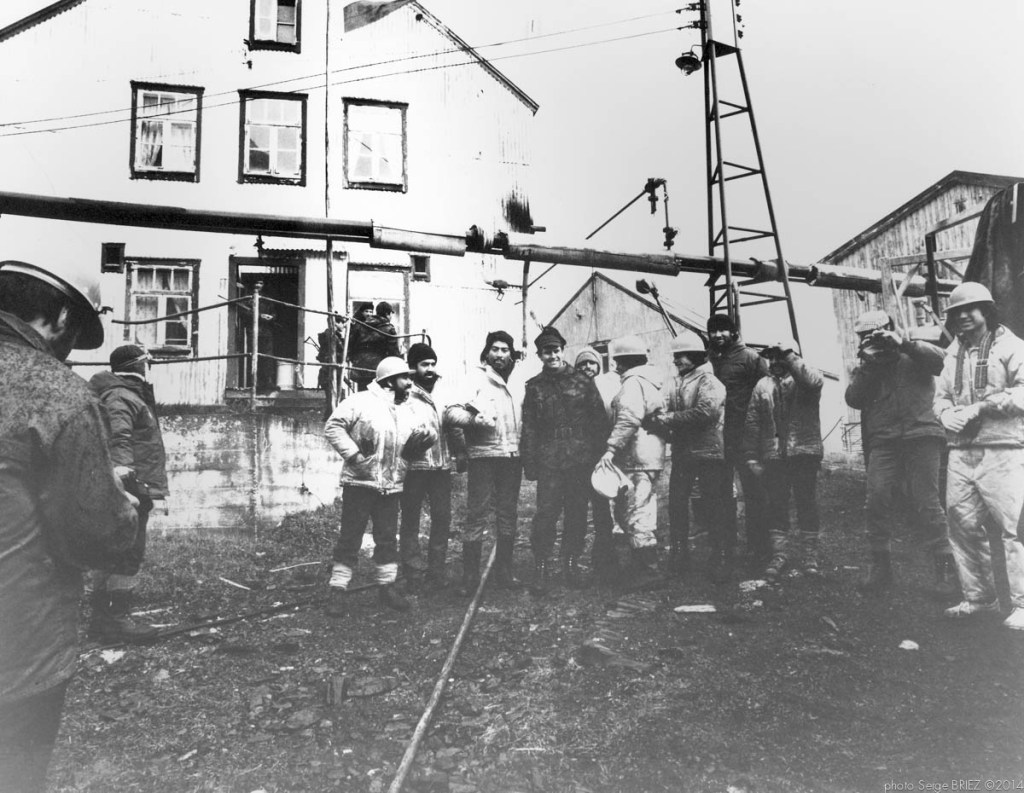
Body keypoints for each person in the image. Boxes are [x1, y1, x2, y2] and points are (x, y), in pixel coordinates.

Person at [0, 260, 138, 793]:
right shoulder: (55, 392)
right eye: (75, 334)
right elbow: (93, 534)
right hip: (16, 649)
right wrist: (123, 506)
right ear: (60, 316)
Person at [845, 309, 956, 596]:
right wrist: (870, 365)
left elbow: (942, 362)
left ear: (890, 328)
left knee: (926, 501)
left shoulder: (915, 352)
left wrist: (903, 343)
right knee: (877, 499)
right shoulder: (869, 364)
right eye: (865, 336)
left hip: (922, 435)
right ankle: (880, 568)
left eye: (877, 333)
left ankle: (945, 569)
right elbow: (854, 398)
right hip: (885, 440)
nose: (872, 339)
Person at [933, 282, 1024, 630]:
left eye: (971, 309)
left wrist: (982, 407)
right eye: (956, 312)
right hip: (961, 450)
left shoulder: (1011, 347)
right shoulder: (952, 353)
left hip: (1004, 448)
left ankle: (1022, 603)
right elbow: (940, 396)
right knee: (961, 524)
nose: (963, 317)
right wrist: (944, 415)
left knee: (1014, 526)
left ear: (987, 311)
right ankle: (980, 598)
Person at [324, 356, 436, 618]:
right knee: (350, 538)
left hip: (392, 486)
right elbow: (333, 426)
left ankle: (387, 588)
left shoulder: (407, 409)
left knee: (387, 539)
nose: (410, 383)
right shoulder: (360, 401)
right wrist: (354, 455)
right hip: (360, 483)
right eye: (405, 378)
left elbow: (418, 439)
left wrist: (420, 445)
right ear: (389, 380)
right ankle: (337, 591)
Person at [87, 344, 170, 643]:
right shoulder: (121, 395)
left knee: (114, 550)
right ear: (135, 365)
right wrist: (125, 487)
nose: (147, 367)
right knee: (127, 551)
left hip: (132, 484)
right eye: (145, 363)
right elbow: (118, 438)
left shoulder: (127, 392)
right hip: (130, 487)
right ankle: (116, 620)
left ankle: (102, 619)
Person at [521, 328, 608, 590]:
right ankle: (542, 567)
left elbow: (599, 421)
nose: (552, 355)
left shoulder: (582, 381)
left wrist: (600, 456)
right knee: (546, 513)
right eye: (547, 351)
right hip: (549, 458)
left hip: (580, 458)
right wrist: (530, 461)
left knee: (577, 511)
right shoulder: (534, 386)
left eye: (556, 350)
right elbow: (530, 427)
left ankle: (571, 563)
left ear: (562, 350)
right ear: (540, 355)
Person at [444, 330, 525, 594]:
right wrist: (472, 420)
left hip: (512, 457)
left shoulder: (518, 382)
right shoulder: (475, 378)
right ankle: (470, 577)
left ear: (511, 355)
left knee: (507, 513)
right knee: (476, 514)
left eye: (505, 350)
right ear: (486, 352)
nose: (500, 354)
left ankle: (504, 572)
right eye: (495, 349)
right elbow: (450, 412)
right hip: (483, 457)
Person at [742, 338, 824, 583]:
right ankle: (780, 554)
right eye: (772, 357)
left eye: (782, 356)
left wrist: (789, 354)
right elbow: (753, 420)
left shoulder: (807, 380)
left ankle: (811, 555)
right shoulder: (762, 385)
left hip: (804, 452)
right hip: (774, 456)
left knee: (806, 502)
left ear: (793, 356)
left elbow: (810, 381)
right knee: (776, 504)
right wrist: (751, 455)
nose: (776, 361)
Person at [646, 331, 727, 579]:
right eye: (676, 356)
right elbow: (668, 407)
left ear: (695, 356)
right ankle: (679, 555)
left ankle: (720, 556)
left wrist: (667, 419)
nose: (676, 360)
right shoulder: (678, 381)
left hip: (708, 453)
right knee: (677, 505)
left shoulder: (709, 381)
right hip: (683, 453)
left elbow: (705, 413)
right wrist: (658, 420)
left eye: (681, 356)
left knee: (714, 505)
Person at [598, 334, 667, 583]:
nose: (615, 367)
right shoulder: (651, 381)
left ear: (624, 361)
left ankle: (648, 570)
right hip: (647, 454)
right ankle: (642, 565)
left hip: (637, 456)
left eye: (617, 361)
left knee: (637, 511)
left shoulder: (632, 383)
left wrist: (611, 449)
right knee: (641, 508)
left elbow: (628, 418)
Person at [706, 313, 770, 577]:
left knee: (754, 492)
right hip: (720, 436)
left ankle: (759, 549)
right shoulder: (709, 359)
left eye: (723, 330)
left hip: (746, 435)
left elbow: (766, 393)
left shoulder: (751, 358)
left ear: (733, 332)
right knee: (721, 494)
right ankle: (724, 549)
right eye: (714, 331)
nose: (718, 335)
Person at [399, 342, 457, 590]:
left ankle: (437, 572)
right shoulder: (404, 397)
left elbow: (452, 424)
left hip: (441, 469)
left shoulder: (442, 392)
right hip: (415, 470)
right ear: (413, 368)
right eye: (425, 364)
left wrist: (460, 451)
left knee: (442, 519)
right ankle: (413, 575)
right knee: (411, 520)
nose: (430, 369)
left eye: (433, 364)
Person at [574, 347, 619, 580]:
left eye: (592, 364)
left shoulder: (605, 388)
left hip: (600, 457)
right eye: (583, 364)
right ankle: (573, 562)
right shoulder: (571, 389)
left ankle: (605, 558)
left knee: (603, 510)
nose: (588, 368)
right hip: (577, 461)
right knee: (578, 511)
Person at [347, 301, 400, 392]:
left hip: (360, 369)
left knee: (363, 395)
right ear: (387, 314)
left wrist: (355, 360)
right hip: (378, 370)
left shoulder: (361, 325)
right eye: (391, 314)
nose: (391, 317)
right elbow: (393, 352)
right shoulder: (388, 329)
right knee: (377, 398)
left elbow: (350, 345)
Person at [316, 316, 347, 420]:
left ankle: (329, 419)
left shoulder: (330, 335)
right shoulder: (331, 336)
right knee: (333, 398)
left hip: (331, 372)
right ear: (336, 323)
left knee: (334, 398)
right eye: (342, 323)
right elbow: (342, 351)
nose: (344, 325)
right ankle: (330, 420)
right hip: (329, 373)